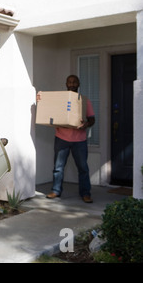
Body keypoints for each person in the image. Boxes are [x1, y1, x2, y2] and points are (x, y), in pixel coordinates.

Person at [40, 75, 95, 203]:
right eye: (69, 82)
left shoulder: (84, 100)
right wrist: (40, 97)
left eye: (74, 82)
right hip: (61, 138)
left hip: (79, 140)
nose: (72, 84)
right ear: (66, 84)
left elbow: (92, 119)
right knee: (58, 167)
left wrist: (86, 124)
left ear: (78, 84)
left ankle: (86, 193)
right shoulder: (60, 100)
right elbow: (47, 107)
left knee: (83, 168)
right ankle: (55, 191)